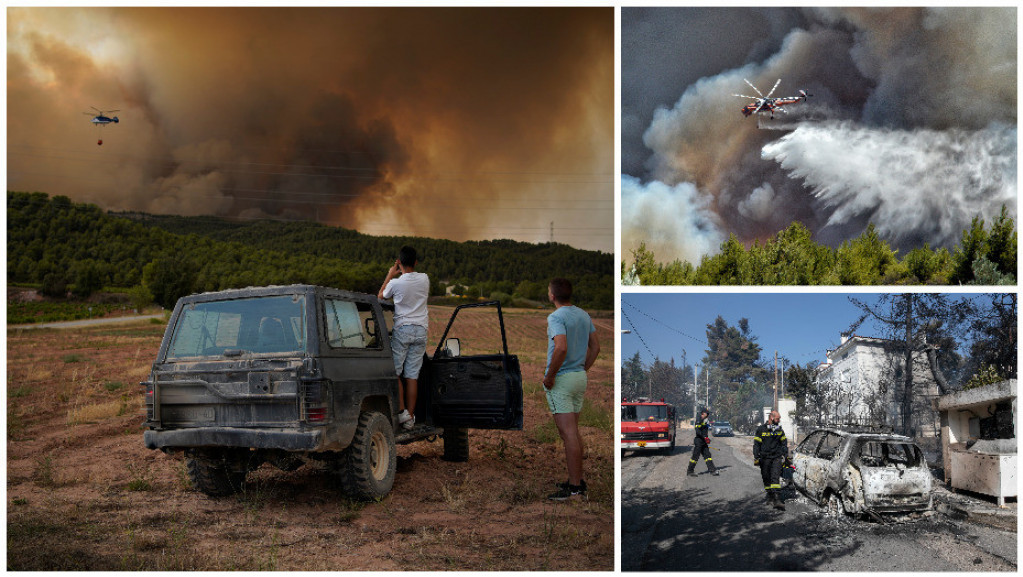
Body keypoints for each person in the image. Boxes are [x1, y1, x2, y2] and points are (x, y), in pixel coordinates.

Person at [543, 278, 600, 501]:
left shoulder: (556, 317)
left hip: (563, 380)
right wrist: (582, 368)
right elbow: (595, 347)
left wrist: (550, 376)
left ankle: (575, 490)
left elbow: (561, 347)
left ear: (552, 296)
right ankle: (577, 480)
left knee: (568, 435)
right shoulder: (583, 314)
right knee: (573, 432)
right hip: (579, 377)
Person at [378, 246, 429, 430]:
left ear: (399, 262)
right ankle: (411, 417)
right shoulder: (425, 279)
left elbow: (380, 296)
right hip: (421, 330)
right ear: (415, 262)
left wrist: (390, 274)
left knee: (395, 372)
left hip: (403, 329)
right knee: (412, 375)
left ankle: (402, 413)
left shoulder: (396, 283)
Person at [753, 410, 789, 510]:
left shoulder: (779, 430)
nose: (779, 420)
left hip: (776, 458)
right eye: (778, 418)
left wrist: (786, 456)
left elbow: (784, 444)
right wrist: (756, 456)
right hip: (764, 458)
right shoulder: (761, 429)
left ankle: (777, 499)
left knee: (775, 478)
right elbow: (756, 444)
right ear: (772, 418)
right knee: (766, 477)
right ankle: (770, 496)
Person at [687, 408, 719, 476]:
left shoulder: (705, 420)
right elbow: (697, 430)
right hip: (699, 440)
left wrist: (707, 438)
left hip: (703, 441)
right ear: (703, 413)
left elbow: (705, 429)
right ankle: (690, 471)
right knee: (695, 456)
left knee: (708, 455)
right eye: (707, 414)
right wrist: (704, 437)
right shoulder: (699, 419)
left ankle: (712, 470)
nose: (708, 415)